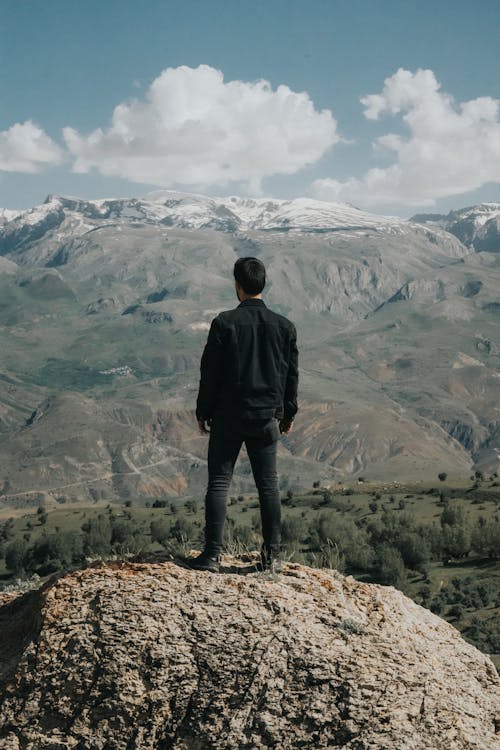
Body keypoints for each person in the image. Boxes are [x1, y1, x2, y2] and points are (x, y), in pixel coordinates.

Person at [188, 256, 298, 573]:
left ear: (237, 285)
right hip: (266, 419)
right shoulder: (285, 327)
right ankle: (272, 558)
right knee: (269, 487)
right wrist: (288, 414)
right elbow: (292, 375)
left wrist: (203, 411)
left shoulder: (224, 323)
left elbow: (209, 373)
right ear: (263, 284)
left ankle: (211, 556)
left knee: (219, 484)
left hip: (228, 417)